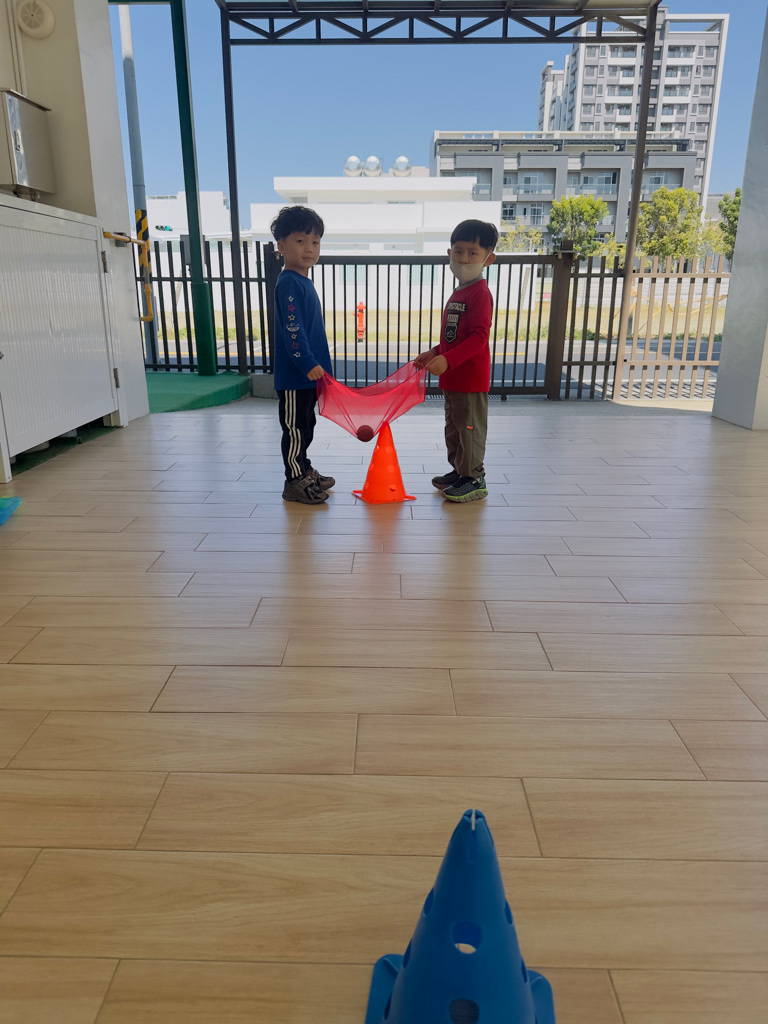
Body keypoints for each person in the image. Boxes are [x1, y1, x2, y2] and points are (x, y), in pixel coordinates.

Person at [414, 219, 498, 502]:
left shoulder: (480, 293)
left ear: (488, 259)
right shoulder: (460, 291)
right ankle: (460, 471)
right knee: (455, 428)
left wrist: (448, 360)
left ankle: (474, 478)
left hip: (469, 379)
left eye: (473, 253)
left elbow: (478, 337)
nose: (464, 259)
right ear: (449, 253)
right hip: (453, 378)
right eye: (459, 251)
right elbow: (455, 338)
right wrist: (434, 352)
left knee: (469, 429)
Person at [271, 206, 335, 504]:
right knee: (296, 429)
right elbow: (293, 328)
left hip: (308, 375)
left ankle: (304, 469)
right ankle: (294, 480)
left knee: (306, 427)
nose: (309, 248)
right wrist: (307, 361)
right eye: (300, 241)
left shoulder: (302, 281)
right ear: (281, 246)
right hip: (295, 375)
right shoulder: (289, 282)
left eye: (315, 242)